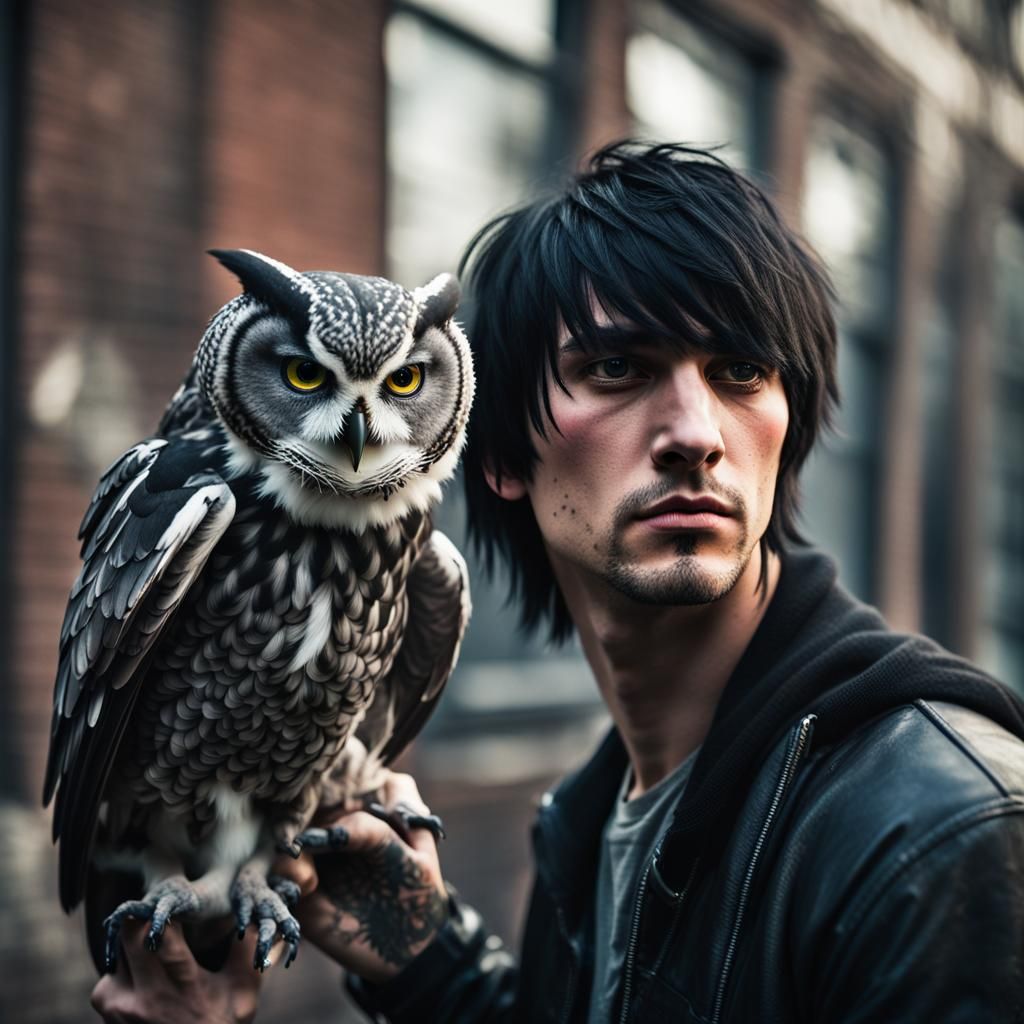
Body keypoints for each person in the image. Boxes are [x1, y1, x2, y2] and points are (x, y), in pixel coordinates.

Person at [92, 142, 1024, 1024]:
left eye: (741, 371)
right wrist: (428, 966)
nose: (696, 433)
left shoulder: (942, 829)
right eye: (618, 368)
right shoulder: (595, 812)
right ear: (495, 450)